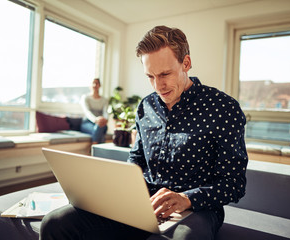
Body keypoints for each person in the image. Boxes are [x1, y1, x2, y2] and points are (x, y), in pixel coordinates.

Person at [40, 25, 248, 240]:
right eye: (150, 76)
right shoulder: (146, 106)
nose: (158, 85)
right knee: (55, 223)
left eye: (165, 74)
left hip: (198, 207)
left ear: (186, 63)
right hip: (142, 203)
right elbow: (137, 158)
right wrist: (114, 188)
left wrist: (186, 198)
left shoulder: (223, 108)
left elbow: (234, 183)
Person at [80, 78, 108, 144]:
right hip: (87, 123)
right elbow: (87, 112)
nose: (95, 85)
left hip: (101, 123)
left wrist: (105, 119)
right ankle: (96, 148)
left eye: (97, 83)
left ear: (100, 85)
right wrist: (96, 120)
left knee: (100, 127)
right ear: (90, 85)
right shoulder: (85, 97)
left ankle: (94, 148)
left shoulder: (104, 100)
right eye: (93, 83)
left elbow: (105, 112)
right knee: (99, 130)